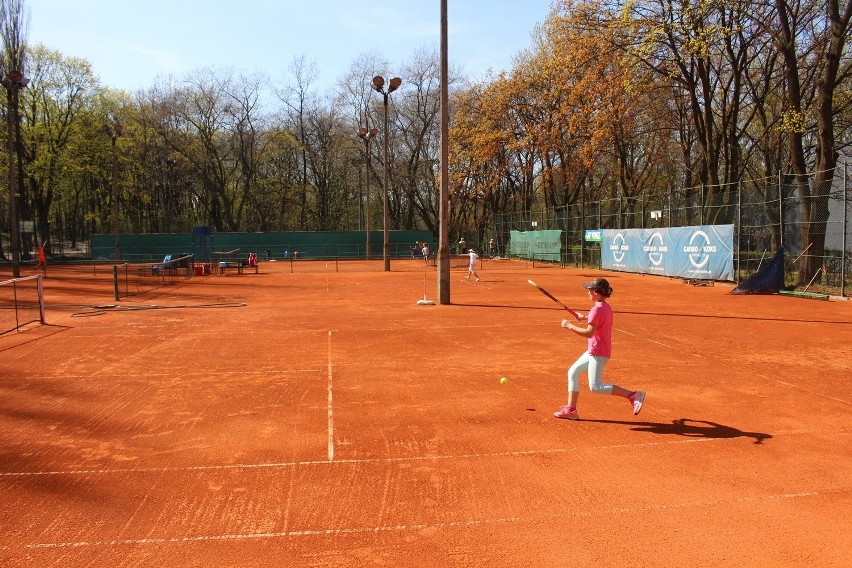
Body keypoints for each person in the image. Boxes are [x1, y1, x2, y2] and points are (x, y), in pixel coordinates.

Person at [554, 277, 645, 421]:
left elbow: (589, 332)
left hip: (598, 353)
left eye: (590, 290)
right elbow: (597, 318)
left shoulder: (596, 309)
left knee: (595, 387)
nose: (588, 293)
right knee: (573, 372)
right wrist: (584, 317)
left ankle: (633, 395)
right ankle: (571, 410)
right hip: (595, 351)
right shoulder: (605, 307)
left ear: (597, 292)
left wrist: (569, 326)